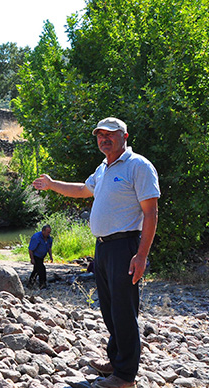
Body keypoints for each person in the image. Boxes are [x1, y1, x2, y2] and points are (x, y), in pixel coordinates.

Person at [32, 117, 159, 388]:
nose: (104, 139)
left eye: (110, 134)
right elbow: (82, 189)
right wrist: (53, 183)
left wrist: (141, 255)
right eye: (100, 135)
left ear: (125, 136)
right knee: (110, 309)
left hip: (125, 247)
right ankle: (116, 360)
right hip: (102, 247)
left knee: (124, 310)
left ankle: (125, 377)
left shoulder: (139, 166)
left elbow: (151, 212)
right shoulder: (103, 167)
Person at [27, 224, 53, 289]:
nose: (48, 234)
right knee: (42, 269)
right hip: (36, 256)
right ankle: (42, 284)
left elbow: (49, 248)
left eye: (49, 232)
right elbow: (30, 249)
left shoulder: (49, 239)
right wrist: (32, 259)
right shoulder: (36, 237)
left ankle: (30, 283)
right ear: (43, 231)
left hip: (42, 256)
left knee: (36, 270)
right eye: (47, 232)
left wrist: (51, 256)